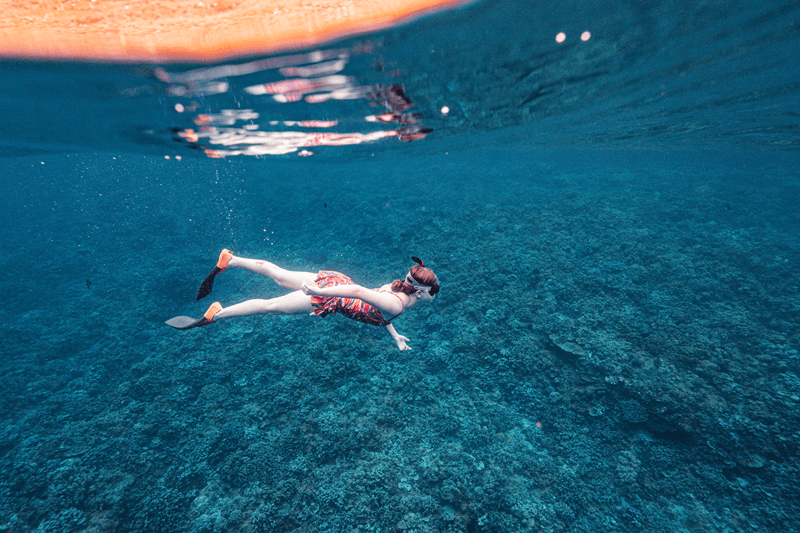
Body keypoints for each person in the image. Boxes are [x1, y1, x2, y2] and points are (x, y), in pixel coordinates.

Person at [166, 250, 440, 351]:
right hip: (333, 296)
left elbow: (376, 308)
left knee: (281, 276)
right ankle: (216, 314)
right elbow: (357, 293)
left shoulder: (398, 291)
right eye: (433, 293)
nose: (434, 297)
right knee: (270, 307)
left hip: (336, 282)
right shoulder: (397, 304)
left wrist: (394, 335)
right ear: (420, 292)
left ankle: (231, 260)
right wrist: (317, 294)